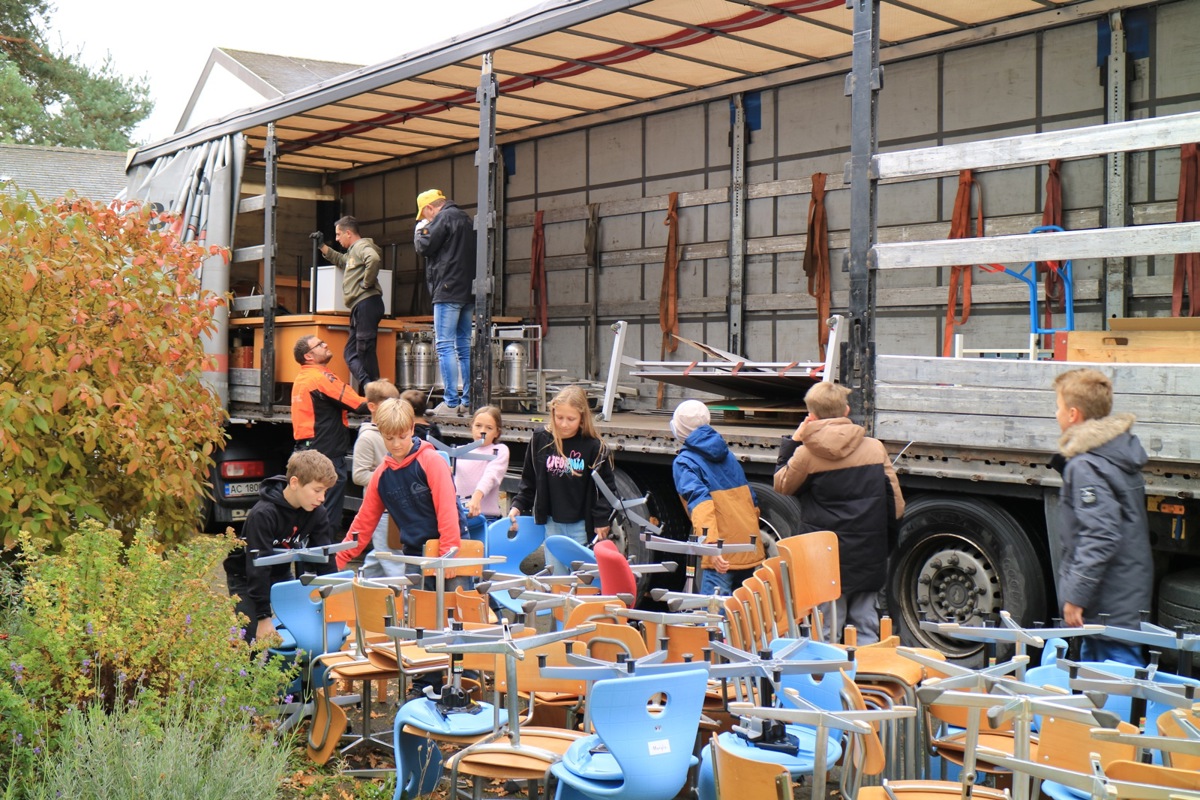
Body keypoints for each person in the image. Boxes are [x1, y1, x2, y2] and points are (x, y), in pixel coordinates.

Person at [774, 381, 904, 645]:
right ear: (845, 410)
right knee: (866, 628)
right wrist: (884, 545)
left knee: (827, 630)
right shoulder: (874, 448)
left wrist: (793, 441)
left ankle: (829, 683)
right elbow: (896, 505)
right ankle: (866, 682)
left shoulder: (805, 454)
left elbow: (781, 484)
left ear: (811, 414)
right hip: (868, 553)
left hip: (824, 559)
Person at [1052, 368, 1152, 666]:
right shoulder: (1113, 455)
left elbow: (1100, 535)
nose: (1055, 414)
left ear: (1073, 414)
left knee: (1110, 698)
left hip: (1108, 610)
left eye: (1057, 407)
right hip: (1119, 602)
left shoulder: (1087, 465)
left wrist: (1075, 596)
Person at [336, 398, 466, 577]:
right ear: (381, 433)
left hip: (450, 546)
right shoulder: (381, 476)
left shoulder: (431, 461)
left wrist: (448, 554)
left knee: (455, 604)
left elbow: (447, 510)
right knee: (416, 604)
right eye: (389, 438)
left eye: (402, 436)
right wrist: (339, 559)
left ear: (412, 429)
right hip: (414, 551)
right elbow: (364, 521)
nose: (396, 444)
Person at [223, 450, 338, 644]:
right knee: (257, 642)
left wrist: (336, 599)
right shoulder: (263, 515)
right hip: (246, 576)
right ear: (294, 483)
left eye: (325, 492)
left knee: (301, 634)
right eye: (317, 490)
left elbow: (324, 558)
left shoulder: (317, 512)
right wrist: (263, 617)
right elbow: (257, 567)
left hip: (280, 572)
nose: (322, 498)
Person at [508, 385, 617, 574]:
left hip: (582, 525)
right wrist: (518, 504)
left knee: (582, 582)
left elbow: (606, 490)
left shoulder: (594, 447)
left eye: (571, 419)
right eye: (559, 417)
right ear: (552, 413)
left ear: (582, 418)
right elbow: (530, 478)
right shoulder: (540, 438)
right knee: (557, 581)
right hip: (552, 523)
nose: (564, 424)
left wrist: (601, 520)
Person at [670, 400, 764, 596]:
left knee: (712, 617)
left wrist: (711, 546)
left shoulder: (684, 462)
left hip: (721, 551)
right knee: (741, 614)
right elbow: (750, 498)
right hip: (746, 543)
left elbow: (700, 504)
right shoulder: (725, 453)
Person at [291, 334, 368, 530]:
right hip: (327, 455)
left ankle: (307, 556)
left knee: (308, 512)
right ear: (309, 356)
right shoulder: (321, 377)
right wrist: (392, 401)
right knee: (327, 515)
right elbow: (358, 404)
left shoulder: (303, 377)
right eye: (319, 344)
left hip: (309, 450)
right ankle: (323, 555)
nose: (326, 344)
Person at [413, 189, 475, 416]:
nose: (426, 220)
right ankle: (467, 401)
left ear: (430, 208)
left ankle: (450, 402)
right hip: (467, 292)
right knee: (464, 347)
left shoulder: (444, 218)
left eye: (425, 216)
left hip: (447, 291)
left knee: (445, 345)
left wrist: (420, 232)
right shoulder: (465, 218)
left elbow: (424, 246)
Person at [317, 216, 385, 391]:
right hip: (360, 306)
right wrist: (322, 247)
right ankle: (370, 387)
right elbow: (342, 260)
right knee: (351, 353)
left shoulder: (362, 246)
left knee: (364, 351)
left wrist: (367, 282)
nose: (337, 239)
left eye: (339, 235)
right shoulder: (353, 252)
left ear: (348, 233)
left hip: (366, 304)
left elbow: (374, 259)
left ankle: (375, 393)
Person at [352, 379, 402, 578]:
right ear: (372, 407)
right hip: (380, 509)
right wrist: (392, 476)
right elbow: (359, 474)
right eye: (389, 403)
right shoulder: (367, 438)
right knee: (391, 557)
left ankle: (361, 588)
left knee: (380, 557)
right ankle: (404, 602)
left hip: (396, 505)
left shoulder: (395, 434)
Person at [455, 405, 510, 542]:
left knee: (482, 560)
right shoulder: (459, 451)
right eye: (478, 426)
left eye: (489, 428)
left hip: (486, 518)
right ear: (471, 426)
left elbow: (491, 475)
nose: (482, 431)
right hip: (459, 517)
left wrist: (476, 497)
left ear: (497, 432)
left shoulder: (499, 450)